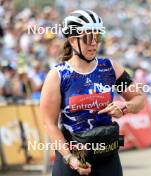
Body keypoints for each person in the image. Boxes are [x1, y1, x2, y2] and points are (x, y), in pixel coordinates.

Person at [40, 9, 144, 176]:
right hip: (72, 156)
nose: (94, 43)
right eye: (89, 38)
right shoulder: (57, 76)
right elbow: (49, 124)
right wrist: (70, 159)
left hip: (106, 157)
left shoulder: (110, 68)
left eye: (98, 37)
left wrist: (125, 107)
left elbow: (139, 100)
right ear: (73, 40)